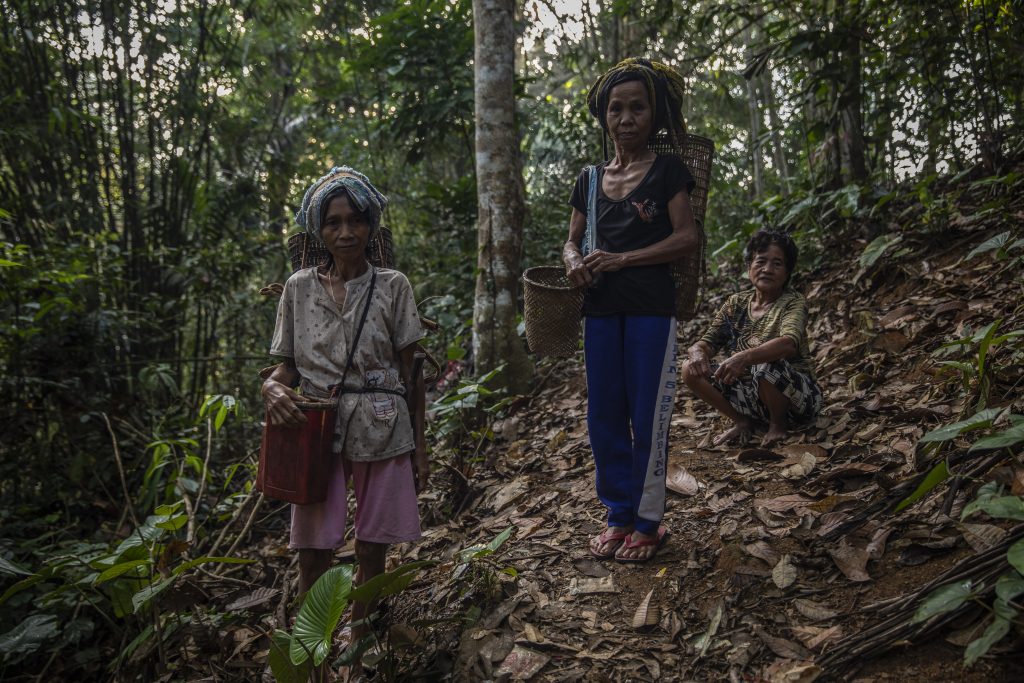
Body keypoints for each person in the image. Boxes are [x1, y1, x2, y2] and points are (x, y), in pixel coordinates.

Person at [261, 166, 428, 657]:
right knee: (312, 549)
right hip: (313, 427)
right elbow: (284, 369)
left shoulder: (393, 285)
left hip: (383, 423)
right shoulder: (297, 288)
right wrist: (271, 391)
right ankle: (314, 653)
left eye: (356, 220)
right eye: (333, 222)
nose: (346, 231)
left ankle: (362, 648)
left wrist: (423, 450)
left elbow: (411, 374)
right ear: (319, 231)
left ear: (371, 225)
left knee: (374, 545)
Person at [563, 58, 699, 563]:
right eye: (615, 109)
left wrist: (623, 258)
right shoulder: (590, 178)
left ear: (654, 115)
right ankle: (617, 516)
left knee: (648, 415)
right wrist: (576, 261)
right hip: (600, 313)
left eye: (636, 107)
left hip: (650, 311)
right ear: (604, 118)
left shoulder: (668, 171)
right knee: (604, 417)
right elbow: (570, 242)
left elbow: (687, 238)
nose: (625, 118)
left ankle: (648, 523)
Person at [682, 229, 822, 447]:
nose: (767, 269)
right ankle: (742, 421)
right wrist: (696, 351)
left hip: (798, 401)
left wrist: (743, 357)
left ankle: (778, 425)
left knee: (765, 365)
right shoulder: (736, 303)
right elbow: (708, 342)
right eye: (761, 261)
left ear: (787, 273)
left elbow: (788, 343)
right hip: (751, 398)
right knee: (689, 368)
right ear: (749, 267)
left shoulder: (793, 302)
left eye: (777, 264)